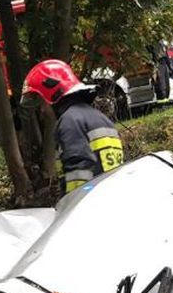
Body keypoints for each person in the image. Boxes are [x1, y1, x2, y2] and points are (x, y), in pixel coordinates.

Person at [21, 59, 124, 193]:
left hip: (90, 202)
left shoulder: (70, 121)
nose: (41, 110)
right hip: (110, 194)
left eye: (41, 102)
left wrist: (70, 204)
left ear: (52, 94)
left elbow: (79, 172)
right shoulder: (100, 117)